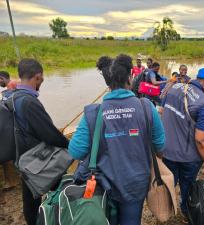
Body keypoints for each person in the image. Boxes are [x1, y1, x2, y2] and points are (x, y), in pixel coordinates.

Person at [68, 54, 165, 225]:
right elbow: (160, 145)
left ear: (107, 82)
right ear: (130, 77)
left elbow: (76, 151)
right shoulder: (146, 107)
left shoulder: (93, 113)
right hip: (136, 184)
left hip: (103, 186)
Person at [5, 59, 69, 225]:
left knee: (30, 196)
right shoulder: (29, 102)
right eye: (42, 79)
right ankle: (53, 217)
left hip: (22, 157)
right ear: (38, 77)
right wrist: (69, 144)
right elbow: (49, 135)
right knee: (55, 186)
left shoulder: (12, 96)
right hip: (37, 160)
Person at [162, 68, 204, 220]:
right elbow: (201, 139)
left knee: (169, 183)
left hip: (167, 151)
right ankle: (186, 211)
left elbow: (162, 109)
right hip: (189, 158)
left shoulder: (175, 87)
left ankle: (166, 211)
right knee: (188, 184)